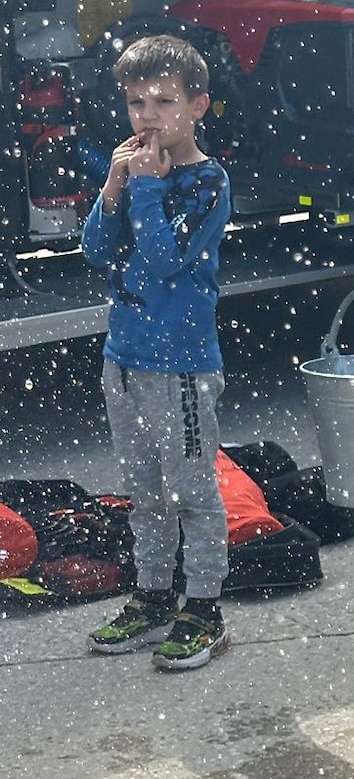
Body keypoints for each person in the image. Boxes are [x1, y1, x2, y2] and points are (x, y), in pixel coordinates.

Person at [80, 35, 233, 671]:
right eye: (136, 102)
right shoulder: (134, 172)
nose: (148, 116)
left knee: (193, 488)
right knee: (144, 490)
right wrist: (115, 183)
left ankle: (204, 607)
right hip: (124, 357)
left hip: (182, 366)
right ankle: (151, 595)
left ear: (198, 106)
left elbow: (166, 260)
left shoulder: (207, 182)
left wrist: (145, 188)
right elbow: (95, 250)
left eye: (165, 102)